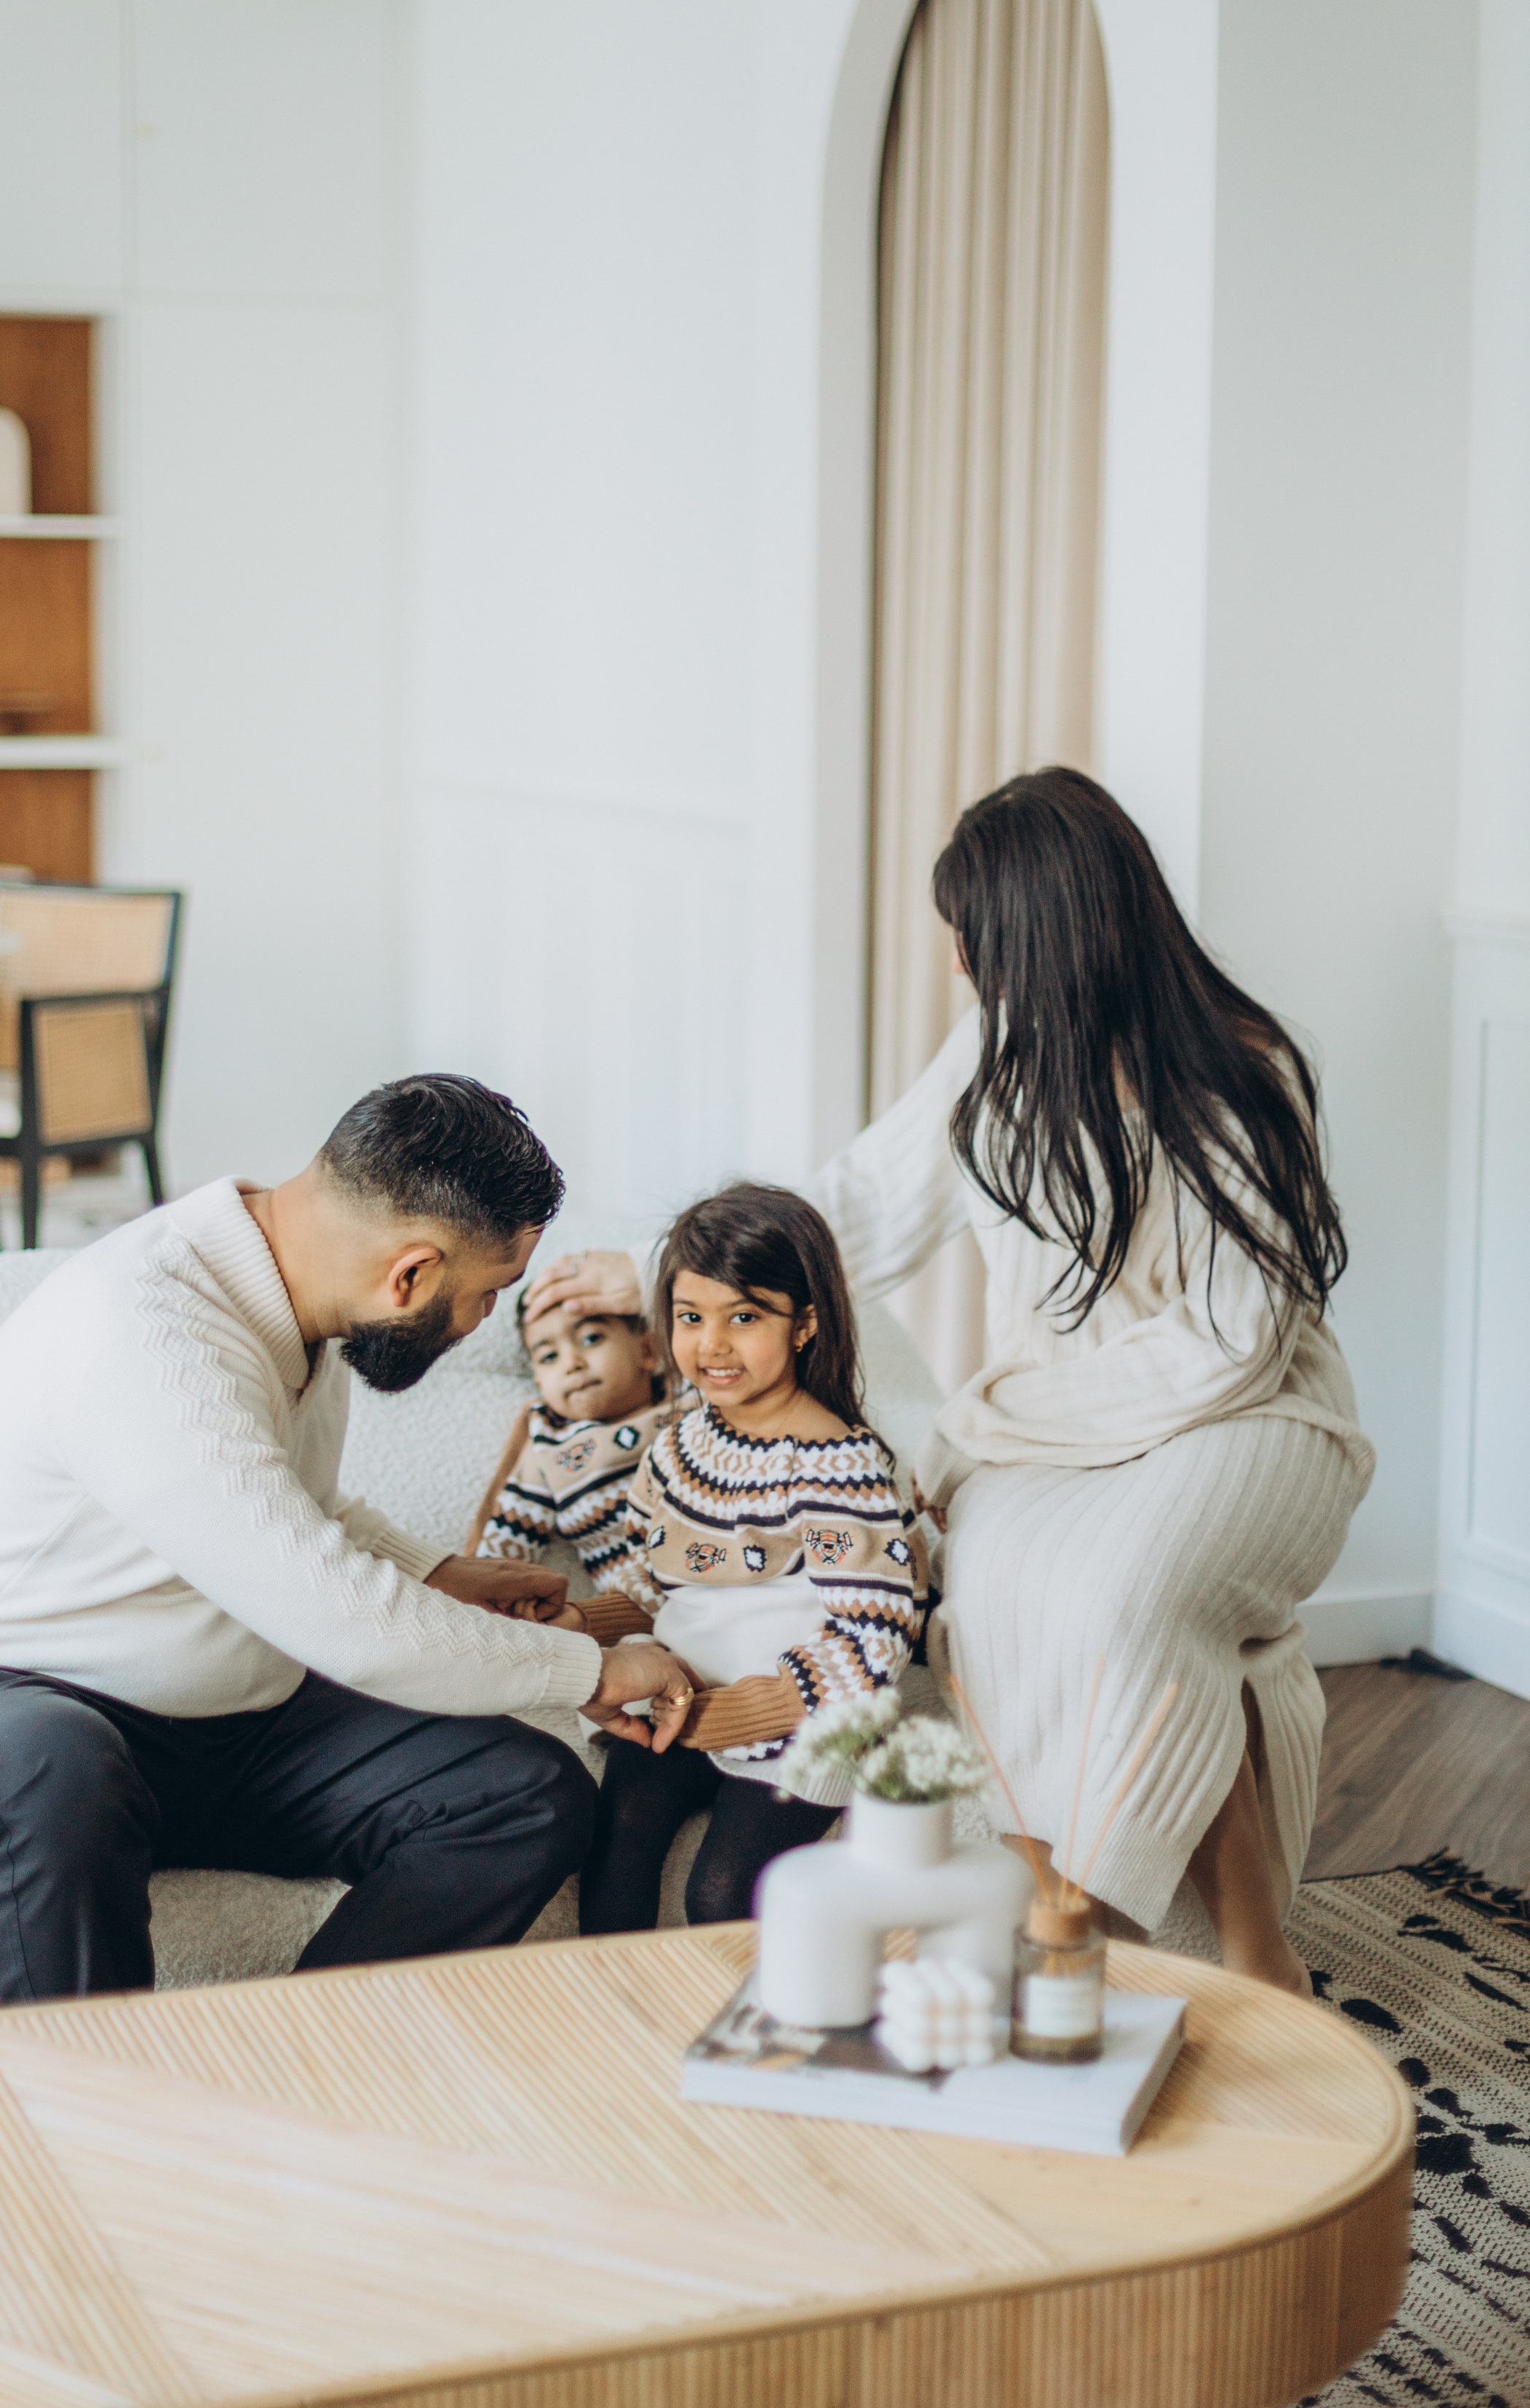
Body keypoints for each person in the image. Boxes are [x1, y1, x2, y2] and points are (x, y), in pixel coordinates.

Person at [529, 771, 1374, 1992]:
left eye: (974, 939)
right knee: (979, 1593)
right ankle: (1062, 1913)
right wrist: (667, 1273)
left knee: (1121, 1598)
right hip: (1056, 1420)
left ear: (1053, 933)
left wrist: (1003, 1414)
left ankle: (1256, 1953)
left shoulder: (1242, 1070)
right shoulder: (996, 1054)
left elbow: (1228, 1345)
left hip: (1250, 1419)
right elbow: (864, 1203)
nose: (964, 969)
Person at [0, 1074, 696, 2004]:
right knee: (59, 1770)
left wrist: (434, 1570)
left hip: (202, 1734)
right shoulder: (147, 1330)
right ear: (409, 1273)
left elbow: (277, 1507)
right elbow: (342, 1621)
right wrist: (591, 1673)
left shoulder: (294, 1295)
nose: (488, 1321)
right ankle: (100, 2126)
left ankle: (288, 2055)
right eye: (489, 1294)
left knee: (524, 1795)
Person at [564, 1183, 928, 1934]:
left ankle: (737, 2037)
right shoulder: (677, 1447)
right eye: (691, 1318)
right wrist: (581, 1619)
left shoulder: (835, 1470)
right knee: (617, 1834)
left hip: (798, 1717)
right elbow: (656, 1572)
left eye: (745, 1318)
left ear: (805, 1326)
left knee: (723, 1894)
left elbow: (870, 1645)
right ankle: (615, 2014)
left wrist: (730, 1714)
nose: (712, 1344)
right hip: (684, 1702)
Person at [462, 1284, 669, 1587]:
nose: (572, 1363)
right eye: (549, 1357)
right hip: (638, 1609)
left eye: (591, 1338)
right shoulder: (549, 1446)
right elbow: (503, 1550)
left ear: (648, 1350)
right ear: (539, 1384)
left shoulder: (691, 1397)